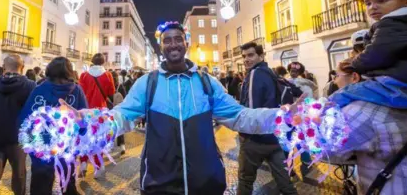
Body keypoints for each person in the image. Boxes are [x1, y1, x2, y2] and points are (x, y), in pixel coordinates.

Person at [61, 22, 297, 195]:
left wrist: (282, 116)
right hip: (158, 184)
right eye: (167, 40)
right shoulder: (148, 83)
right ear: (161, 46)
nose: (173, 44)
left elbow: (240, 116)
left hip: (207, 183)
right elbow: (121, 117)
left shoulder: (206, 82)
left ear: (186, 44)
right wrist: (87, 119)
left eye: (177, 39)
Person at [328, 58, 407, 194]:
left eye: (337, 75)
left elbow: (329, 153)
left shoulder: (358, 110)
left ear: (354, 77)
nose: (334, 81)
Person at [331, 0, 407, 108]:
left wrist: (353, 63)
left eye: (382, 0)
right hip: (406, 81)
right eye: (368, 3)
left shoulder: (393, 23)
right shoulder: (405, 21)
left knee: (342, 94)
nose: (373, 7)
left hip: (402, 86)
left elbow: (376, 54)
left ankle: (317, 121)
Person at [19, 57, 88, 195]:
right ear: (69, 71)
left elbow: (25, 118)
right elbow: (84, 119)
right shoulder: (77, 90)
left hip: (42, 146)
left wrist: (29, 143)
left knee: (40, 183)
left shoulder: (39, 90)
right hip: (68, 144)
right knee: (68, 179)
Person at [237, 42, 297, 195]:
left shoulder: (255, 74)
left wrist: (244, 135)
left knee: (245, 181)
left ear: (261, 56)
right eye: (244, 56)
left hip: (255, 138)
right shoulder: (270, 72)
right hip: (274, 135)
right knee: (284, 181)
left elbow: (251, 109)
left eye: (251, 55)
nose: (246, 59)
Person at [0, 54, 36, 195]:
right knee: (19, 176)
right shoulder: (31, 86)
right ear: (22, 68)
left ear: (4, 67)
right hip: (18, 139)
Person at [78, 53, 115, 178]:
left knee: (84, 137)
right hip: (100, 113)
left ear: (93, 61)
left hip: (86, 111)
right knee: (99, 139)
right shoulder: (107, 75)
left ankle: (83, 163)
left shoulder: (84, 75)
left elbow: (80, 92)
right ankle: (99, 167)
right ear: (103, 62)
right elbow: (111, 91)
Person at [111, 71, 126, 155]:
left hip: (110, 110)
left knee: (111, 128)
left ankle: (111, 145)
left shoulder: (109, 86)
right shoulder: (120, 86)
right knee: (120, 128)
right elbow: (125, 97)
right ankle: (122, 145)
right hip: (119, 110)